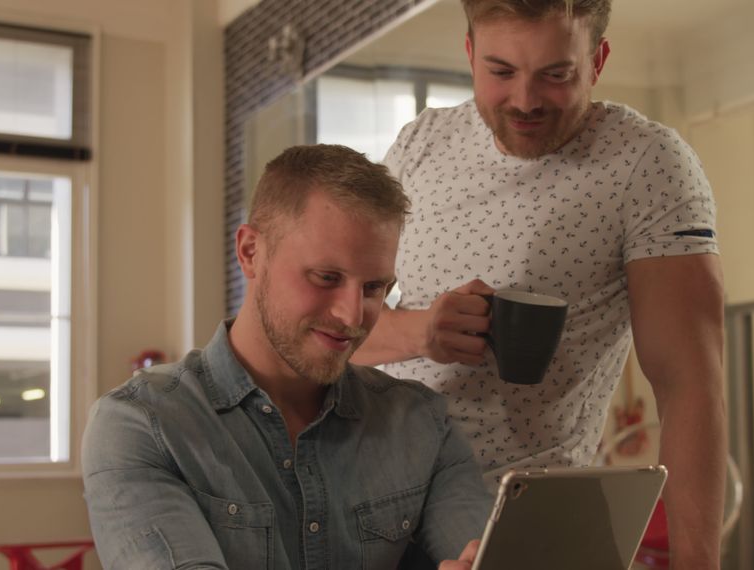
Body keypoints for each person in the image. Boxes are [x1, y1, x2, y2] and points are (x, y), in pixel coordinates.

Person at [352, 0, 728, 567]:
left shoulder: (647, 165)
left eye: (556, 75)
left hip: (522, 522)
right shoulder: (420, 144)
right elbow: (334, 328)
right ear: (470, 53)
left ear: (597, 60)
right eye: (501, 71)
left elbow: (689, 384)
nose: (526, 100)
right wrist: (420, 331)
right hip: (371, 496)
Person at [82, 145, 490, 569]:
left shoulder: (423, 423)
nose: (352, 315)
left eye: (373, 288)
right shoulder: (143, 426)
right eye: (326, 278)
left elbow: (483, 556)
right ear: (250, 253)